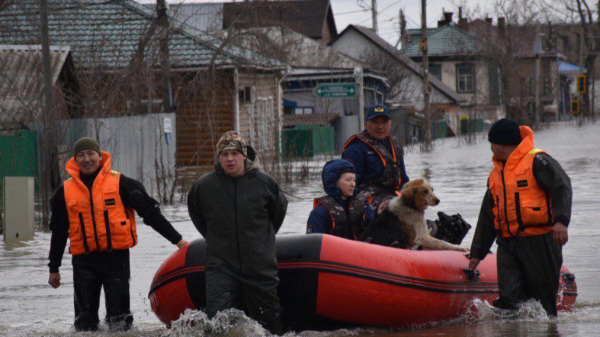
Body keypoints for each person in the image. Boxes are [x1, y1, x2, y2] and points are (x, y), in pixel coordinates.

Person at [47, 137, 188, 332]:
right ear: (75, 160)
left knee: (119, 322)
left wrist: (178, 241)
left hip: (116, 261)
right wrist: (54, 267)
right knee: (84, 324)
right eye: (81, 155)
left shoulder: (122, 183)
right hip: (83, 264)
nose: (87, 159)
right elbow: (59, 233)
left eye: (90, 154)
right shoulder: (65, 191)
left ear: (100, 156)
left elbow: (151, 214)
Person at [468, 119, 572, 317]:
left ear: (501, 144)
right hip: (507, 243)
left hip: (539, 240)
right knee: (509, 301)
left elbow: (562, 186)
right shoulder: (496, 173)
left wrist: (561, 221)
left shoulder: (537, 160)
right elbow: (488, 215)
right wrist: (477, 252)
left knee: (544, 305)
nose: (490, 147)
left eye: (491, 143)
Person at [187, 131, 288, 335]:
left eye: (235, 153)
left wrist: (261, 240)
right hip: (221, 266)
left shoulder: (265, 183)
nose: (230, 159)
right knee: (217, 322)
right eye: (224, 154)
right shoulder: (204, 186)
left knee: (270, 324)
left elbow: (278, 213)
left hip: (259, 266)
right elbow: (197, 215)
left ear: (245, 155)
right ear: (218, 158)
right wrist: (216, 238)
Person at [342, 104, 409, 235]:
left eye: (384, 122)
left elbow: (404, 180)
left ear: (390, 124)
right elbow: (349, 188)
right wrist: (374, 209)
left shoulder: (396, 146)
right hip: (366, 200)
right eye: (375, 122)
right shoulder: (356, 149)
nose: (380, 127)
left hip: (392, 196)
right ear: (366, 124)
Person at [307, 159, 387, 239]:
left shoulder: (364, 205)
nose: (353, 184)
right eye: (348, 180)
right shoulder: (320, 212)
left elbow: (372, 229)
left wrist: (377, 215)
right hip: (334, 250)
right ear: (335, 182)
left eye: (354, 180)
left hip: (361, 249)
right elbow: (313, 243)